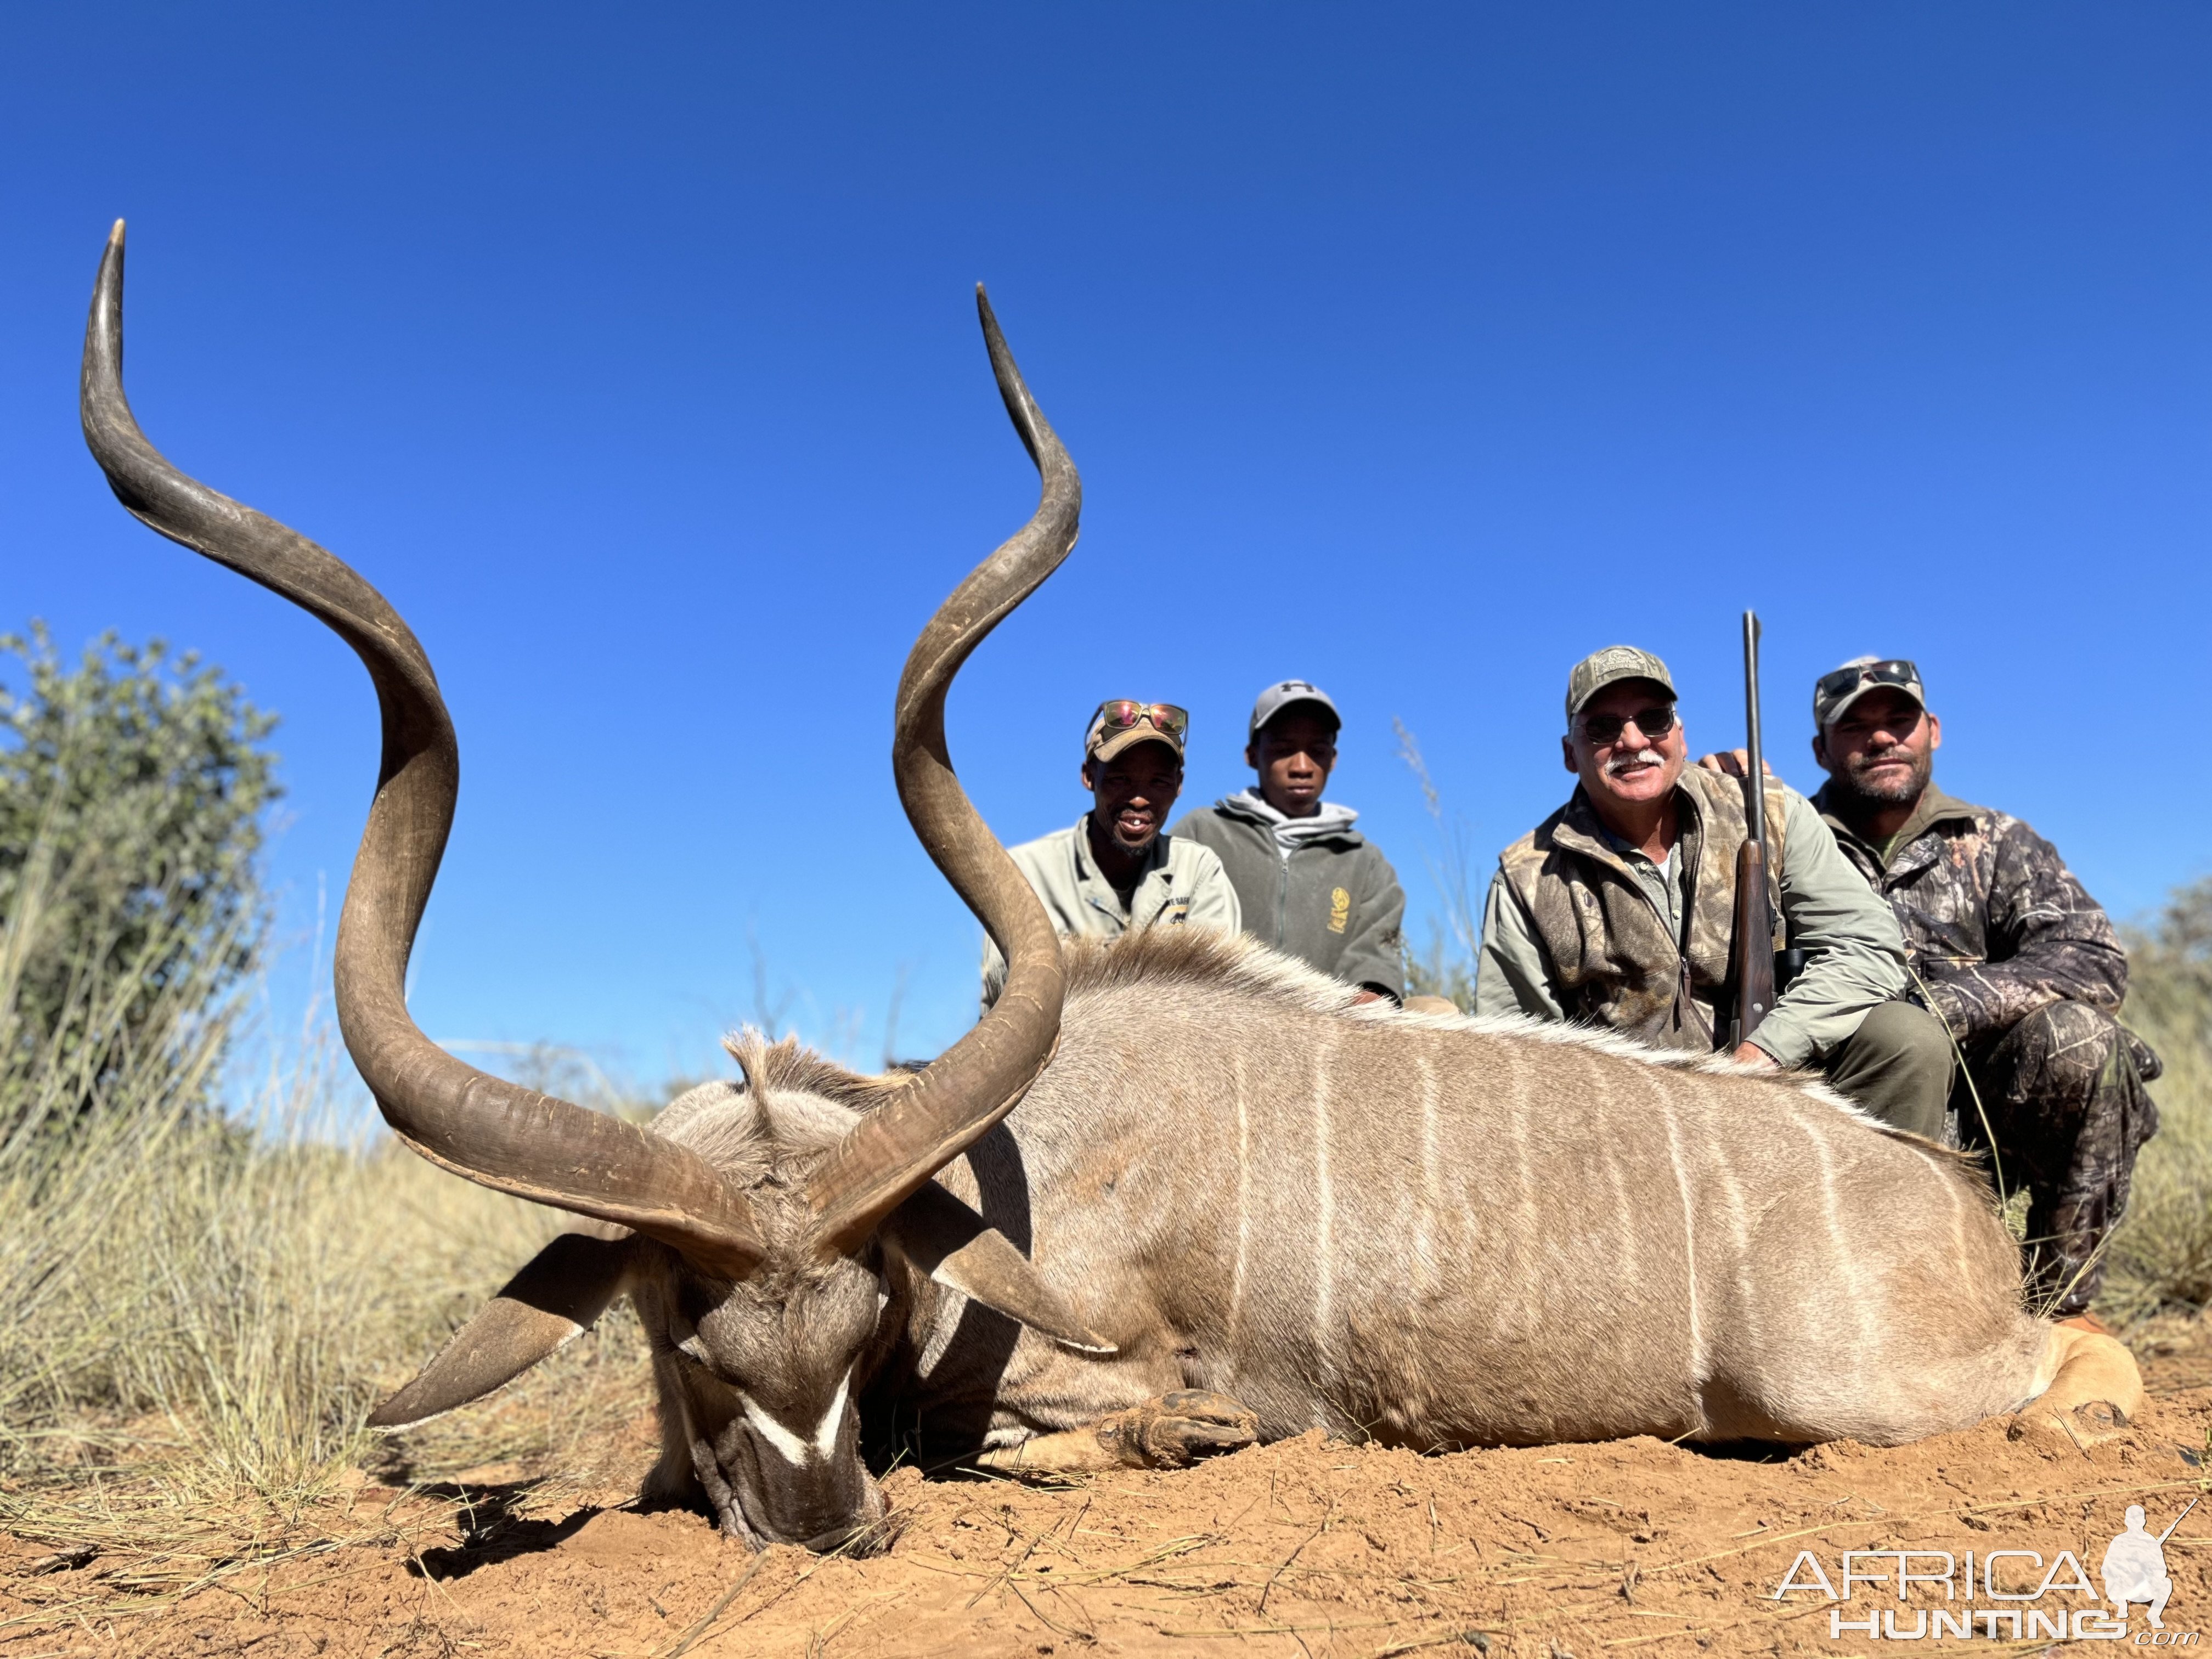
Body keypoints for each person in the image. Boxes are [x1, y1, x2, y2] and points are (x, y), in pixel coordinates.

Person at [1801, 655, 2160, 1322]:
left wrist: (1944, 1008)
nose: (1881, 739)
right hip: (1842, 1116)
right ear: (1822, 749)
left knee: (2085, 1044)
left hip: (1980, 1114)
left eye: (1898, 721)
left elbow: (2092, 958)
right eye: (1856, 728)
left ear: (1932, 730)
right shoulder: (1786, 841)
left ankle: (2059, 1309)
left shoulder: (1997, 841)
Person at [1474, 645, 1953, 1134]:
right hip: (1630, 1127)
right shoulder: (1526, 875)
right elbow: (1514, 1049)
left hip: (1782, 1084)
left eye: (1654, 719)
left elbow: (1867, 944)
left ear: (1680, 736)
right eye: (1603, 727)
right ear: (1570, 753)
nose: (1632, 740)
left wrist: (1767, 1051)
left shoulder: (1770, 812)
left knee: (1906, 1039)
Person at [980, 699, 1240, 1009]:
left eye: (1159, 781)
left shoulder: (1198, 870)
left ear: (1179, 786)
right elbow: (1008, 1003)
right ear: (1089, 776)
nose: (1141, 799)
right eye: (1121, 779)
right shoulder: (1026, 873)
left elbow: (1216, 1003)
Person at [1171, 680, 1407, 1003]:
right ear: (1252, 755)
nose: (1302, 767)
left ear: (1333, 760)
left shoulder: (1364, 862)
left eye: (1317, 752)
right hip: (1220, 1019)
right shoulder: (1201, 833)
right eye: (1283, 750)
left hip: (1328, 1030)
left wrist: (1365, 1005)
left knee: (1440, 1011)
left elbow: (1376, 966)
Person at [2100, 1505, 2175, 1629]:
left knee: (2167, 1583)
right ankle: (2122, 1607)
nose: (2135, 1523)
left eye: (2138, 1520)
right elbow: (2106, 1568)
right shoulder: (2119, 1540)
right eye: (2132, 1520)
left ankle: (2154, 1615)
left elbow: (2161, 1569)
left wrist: (2147, 1567)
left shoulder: (2150, 1541)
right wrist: (2124, 1570)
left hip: (2143, 1586)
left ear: (2144, 1522)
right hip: (2122, 1587)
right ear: (2126, 1522)